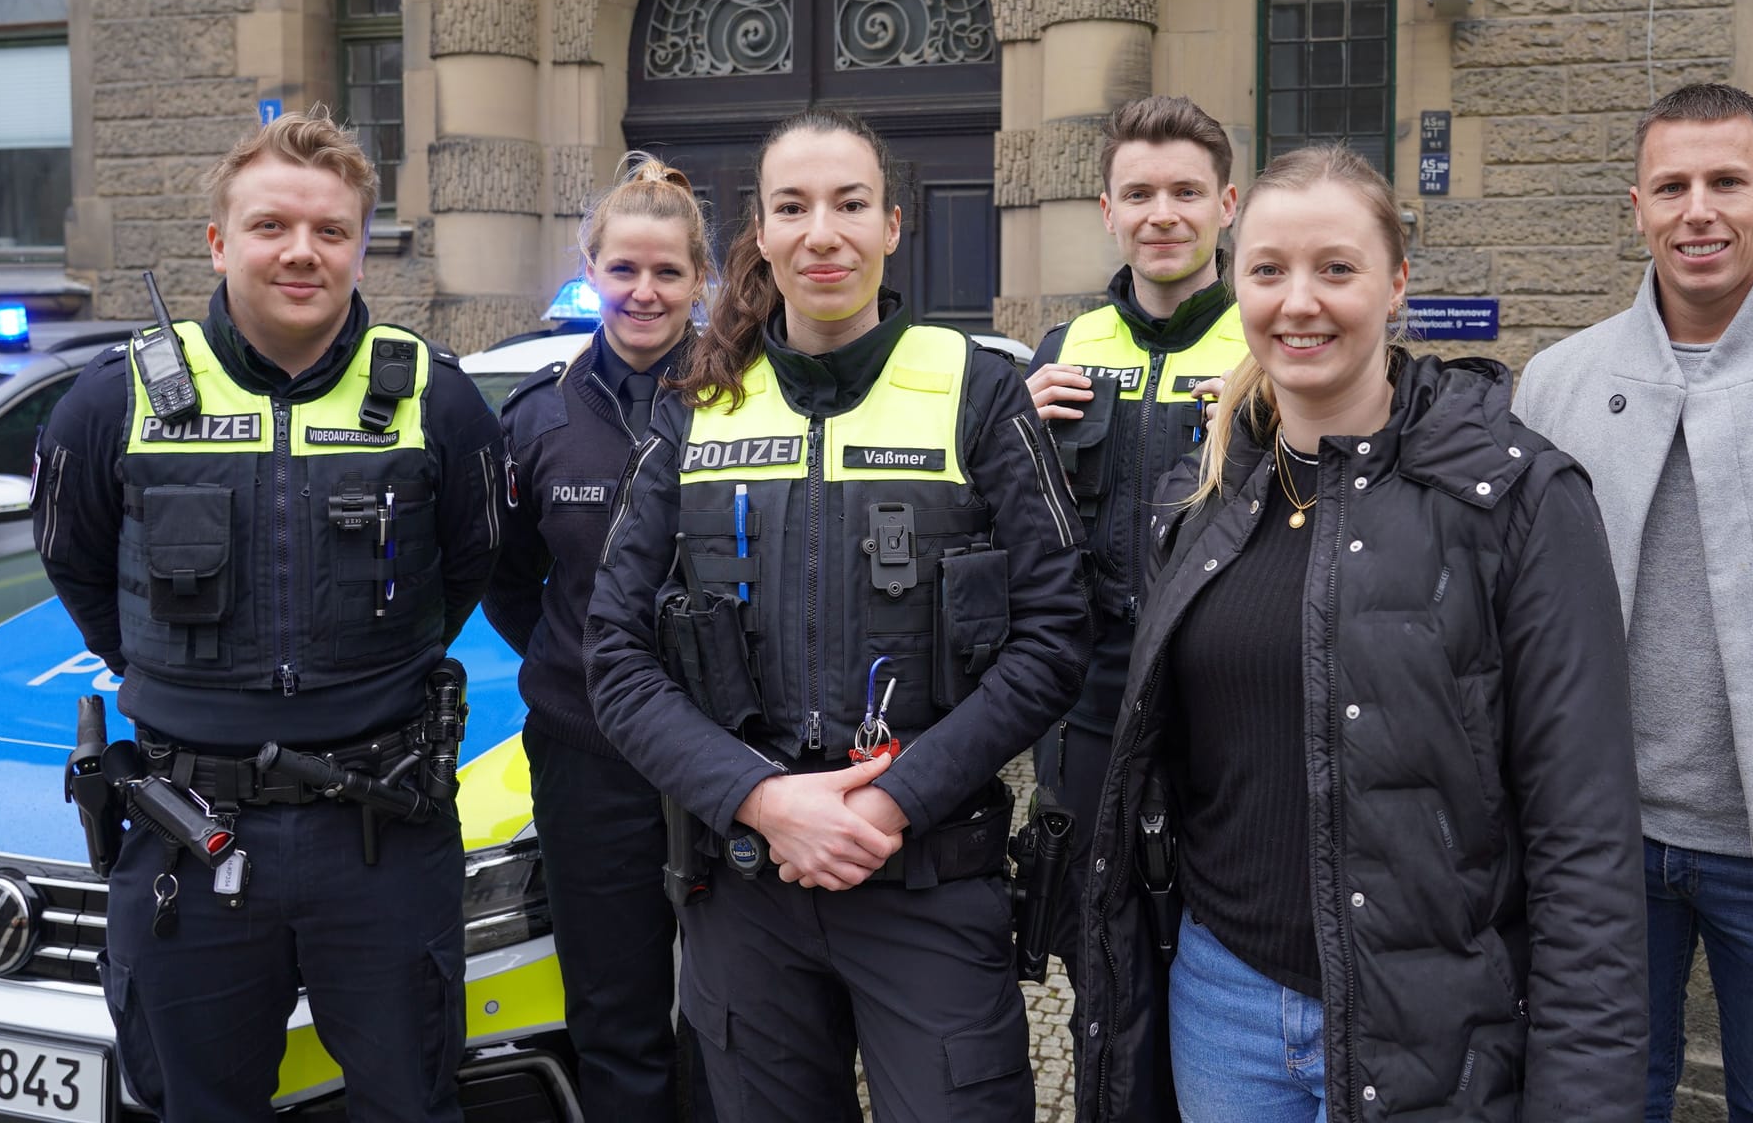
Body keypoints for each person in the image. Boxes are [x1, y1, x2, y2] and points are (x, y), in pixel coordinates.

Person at [1076, 143, 1649, 1122]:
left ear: (1396, 283)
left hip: (1434, 1025)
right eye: (1269, 270)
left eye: (1336, 268)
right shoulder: (1206, 501)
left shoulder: (1518, 499)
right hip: (1226, 1008)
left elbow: (1584, 843)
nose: (1300, 301)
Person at [583, 106, 1092, 1122]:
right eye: (793, 206)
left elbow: (1054, 633)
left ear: (893, 224)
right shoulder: (694, 408)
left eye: (850, 203)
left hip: (928, 879)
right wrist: (767, 800)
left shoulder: (978, 396)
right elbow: (616, 656)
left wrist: (891, 800)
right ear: (760, 235)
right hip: (745, 887)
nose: (824, 231)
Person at [34, 110, 502, 1120]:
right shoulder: (111, 402)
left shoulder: (440, 402)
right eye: (271, 226)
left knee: (411, 1102)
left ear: (362, 244)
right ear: (217, 240)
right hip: (186, 835)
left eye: (331, 230)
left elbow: (465, 567)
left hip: (382, 833)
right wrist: (166, 675)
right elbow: (73, 559)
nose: (302, 251)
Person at [1513, 82, 1753, 1122]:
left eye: (1726, 181)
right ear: (1635, 207)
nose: (1699, 209)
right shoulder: (1554, 383)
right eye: (1672, 185)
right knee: (1605, 1102)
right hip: (1603, 842)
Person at [482, 153, 712, 1119]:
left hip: (730, 753)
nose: (645, 292)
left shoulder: (754, 404)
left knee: (738, 1009)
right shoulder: (536, 419)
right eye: (624, 270)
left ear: (701, 280)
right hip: (590, 756)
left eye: (668, 272)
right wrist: (591, 671)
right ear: (591, 269)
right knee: (613, 1015)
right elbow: (506, 582)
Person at [1022, 95, 1243, 1049]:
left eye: (1186, 191)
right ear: (1108, 212)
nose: (1164, 214)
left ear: (1226, 205)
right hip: (1088, 705)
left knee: (1218, 943)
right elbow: (1005, 534)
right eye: (1139, 193)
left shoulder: (1267, 342)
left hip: (1224, 702)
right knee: (1095, 954)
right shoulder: (1063, 352)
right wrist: (1009, 435)